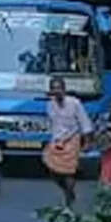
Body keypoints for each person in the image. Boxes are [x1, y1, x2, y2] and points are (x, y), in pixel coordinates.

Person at [43, 77, 94, 211]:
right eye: (53, 88)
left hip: (72, 139)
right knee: (52, 169)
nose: (56, 91)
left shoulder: (75, 103)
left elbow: (85, 122)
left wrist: (87, 142)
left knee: (68, 171)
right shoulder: (50, 104)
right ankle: (66, 190)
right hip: (56, 140)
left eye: (59, 88)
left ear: (64, 89)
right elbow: (52, 123)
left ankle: (69, 196)